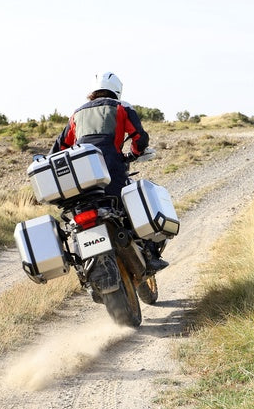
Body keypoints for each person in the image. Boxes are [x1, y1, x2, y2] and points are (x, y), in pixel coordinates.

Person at [50, 72, 168, 272]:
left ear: (92, 92)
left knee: (77, 217)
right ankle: (148, 255)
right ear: (117, 90)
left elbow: (59, 149)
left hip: (80, 180)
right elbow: (139, 138)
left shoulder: (76, 114)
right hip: (111, 170)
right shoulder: (121, 107)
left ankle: (82, 267)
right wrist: (133, 154)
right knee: (130, 209)